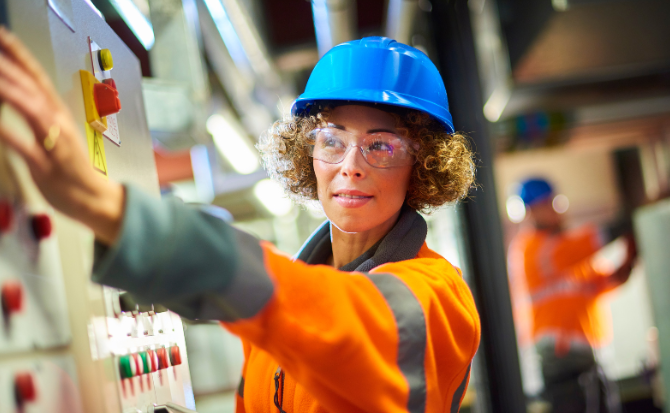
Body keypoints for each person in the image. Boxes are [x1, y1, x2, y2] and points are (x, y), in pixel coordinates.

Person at [0, 28, 480, 412]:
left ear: (422, 167)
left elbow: (342, 321)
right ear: (307, 153)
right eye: (332, 139)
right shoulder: (280, 312)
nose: (350, 164)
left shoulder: (438, 297)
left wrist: (102, 203)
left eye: (381, 145)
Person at [507, 178, 636, 413]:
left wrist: (631, 252)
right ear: (530, 213)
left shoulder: (568, 256)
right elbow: (599, 238)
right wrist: (633, 217)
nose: (557, 209)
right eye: (549, 204)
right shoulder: (533, 249)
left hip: (589, 360)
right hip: (561, 361)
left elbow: (610, 280)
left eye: (556, 202)